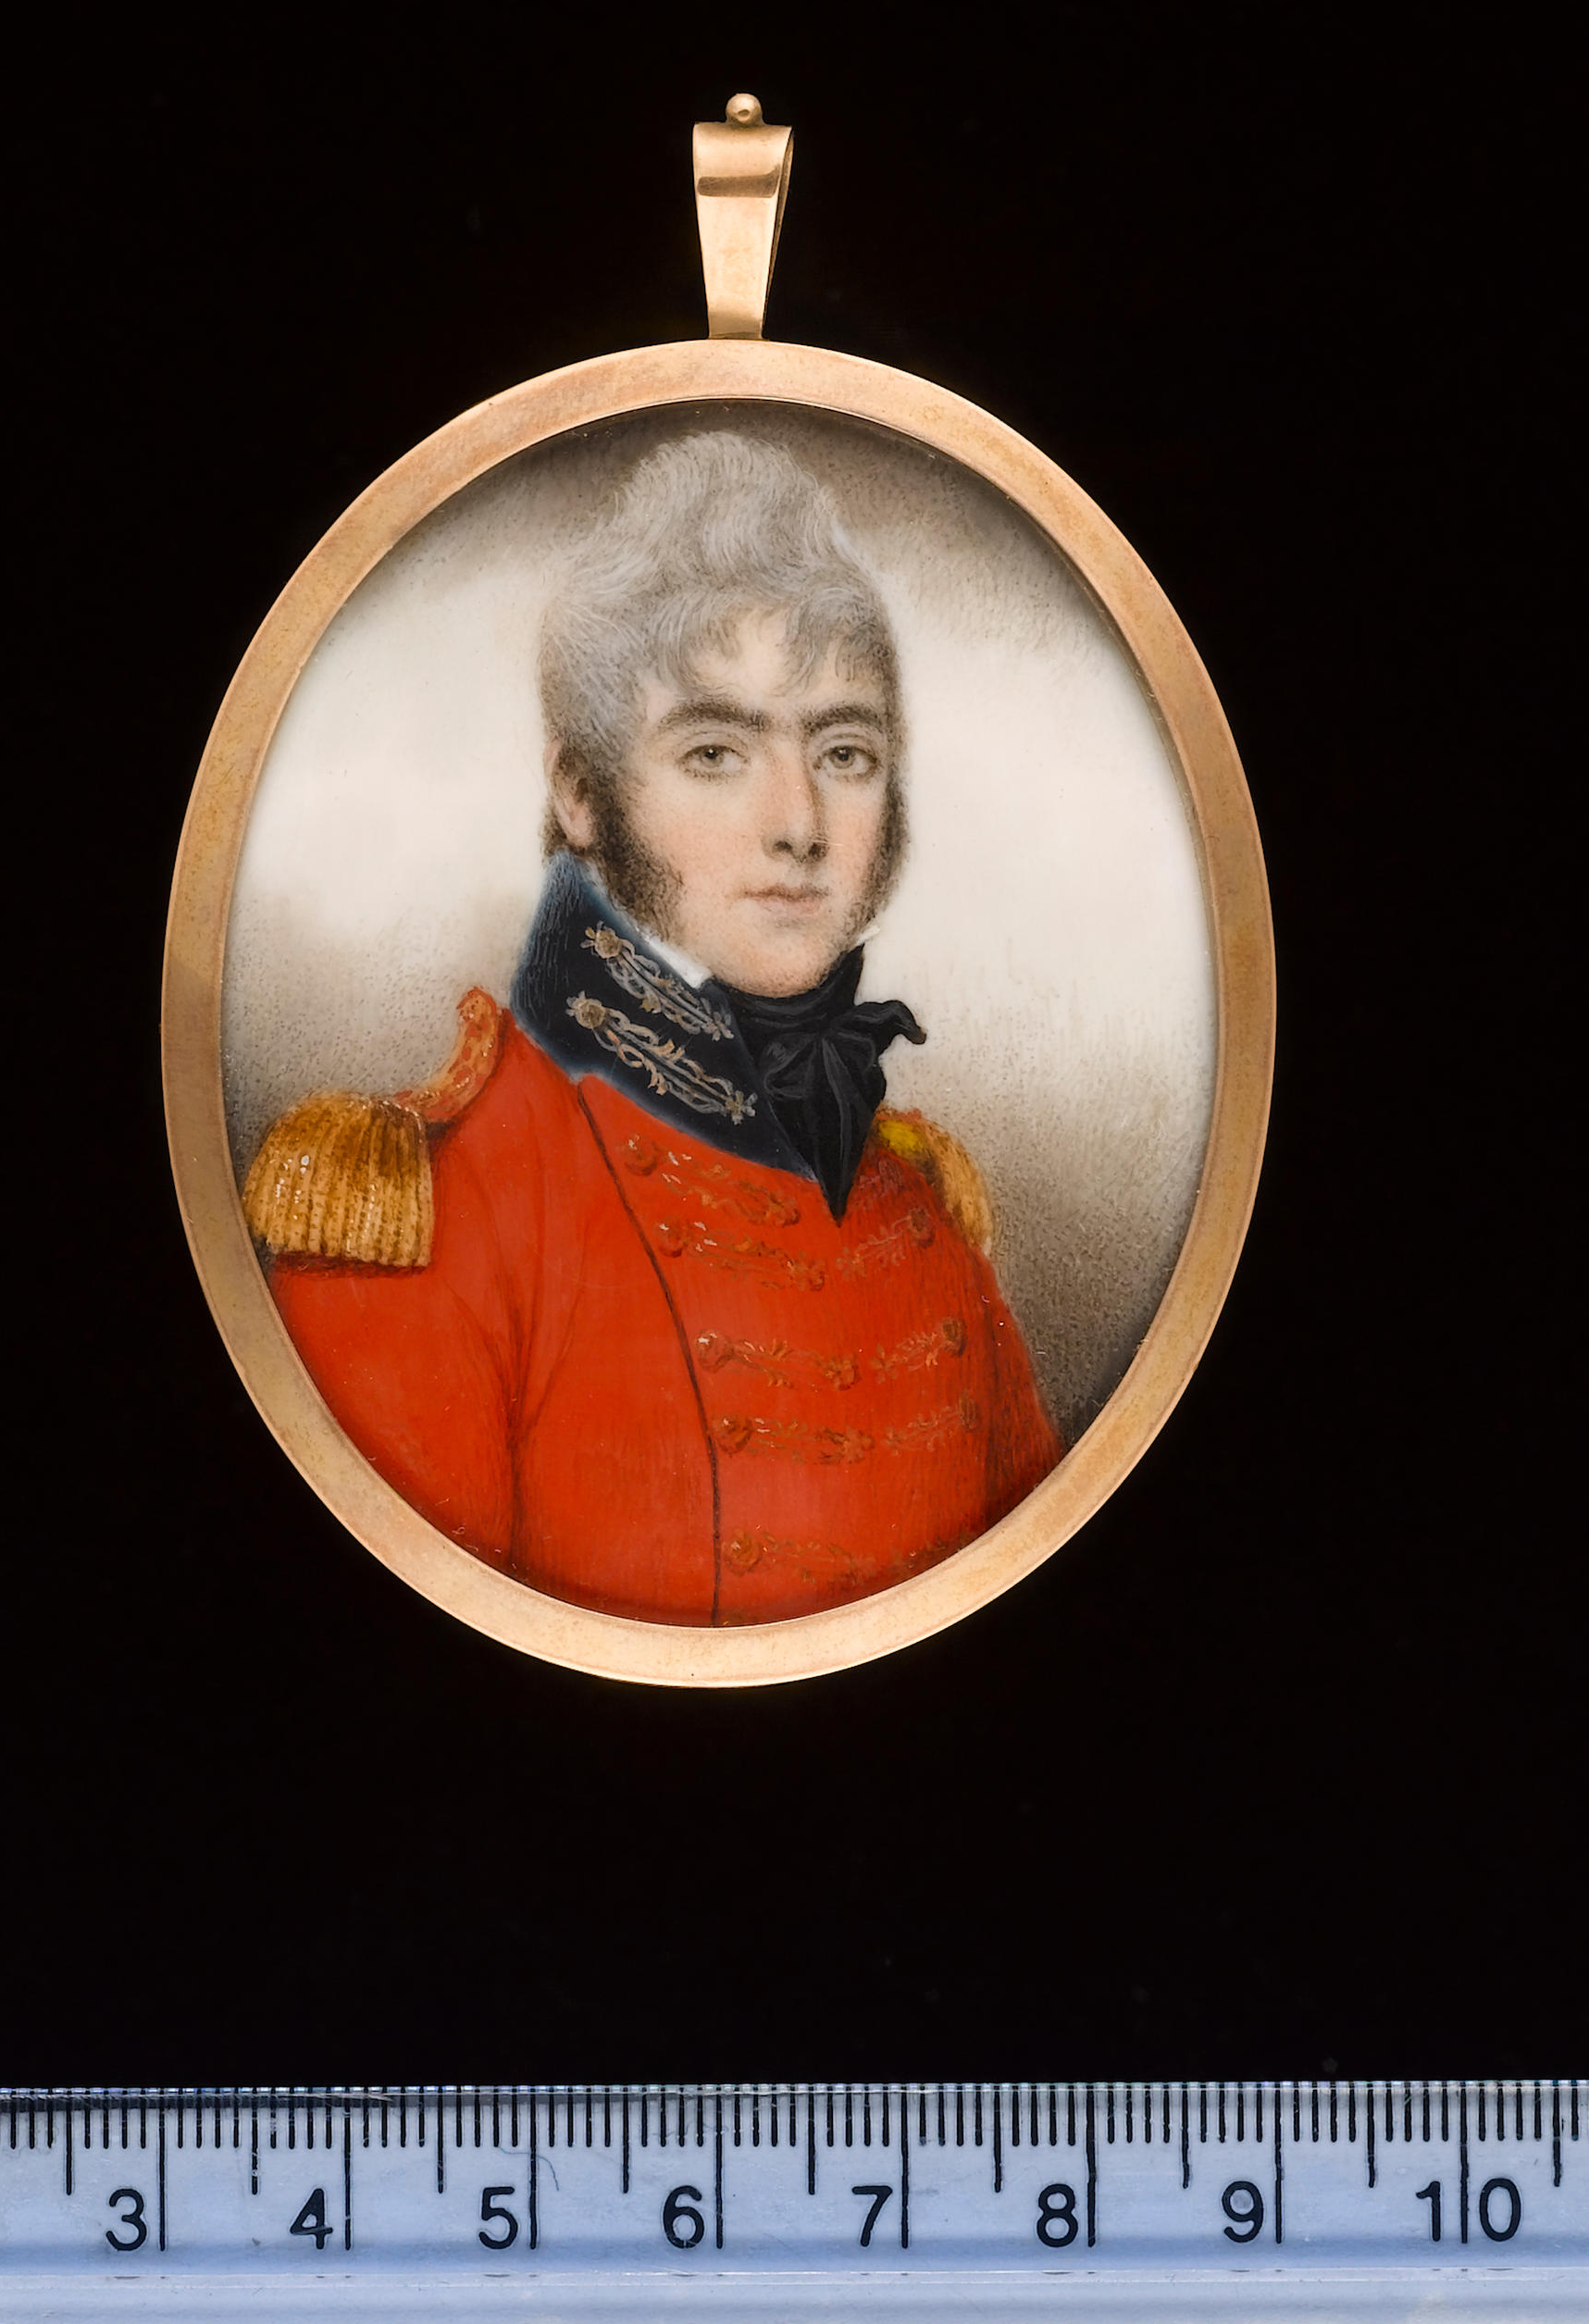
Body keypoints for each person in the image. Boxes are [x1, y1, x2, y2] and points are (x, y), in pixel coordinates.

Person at [243, 432, 1061, 1624]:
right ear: (581, 792)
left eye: (844, 752)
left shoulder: (917, 1205)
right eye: (716, 753)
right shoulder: (440, 1211)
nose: (800, 825)